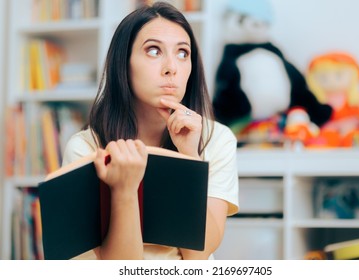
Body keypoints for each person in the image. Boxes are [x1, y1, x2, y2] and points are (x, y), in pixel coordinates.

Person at [62, 2, 239, 260]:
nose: (172, 68)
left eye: (182, 53)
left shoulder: (217, 138)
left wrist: (189, 157)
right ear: (124, 64)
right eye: (154, 51)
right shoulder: (86, 148)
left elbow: (197, 257)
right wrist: (123, 189)